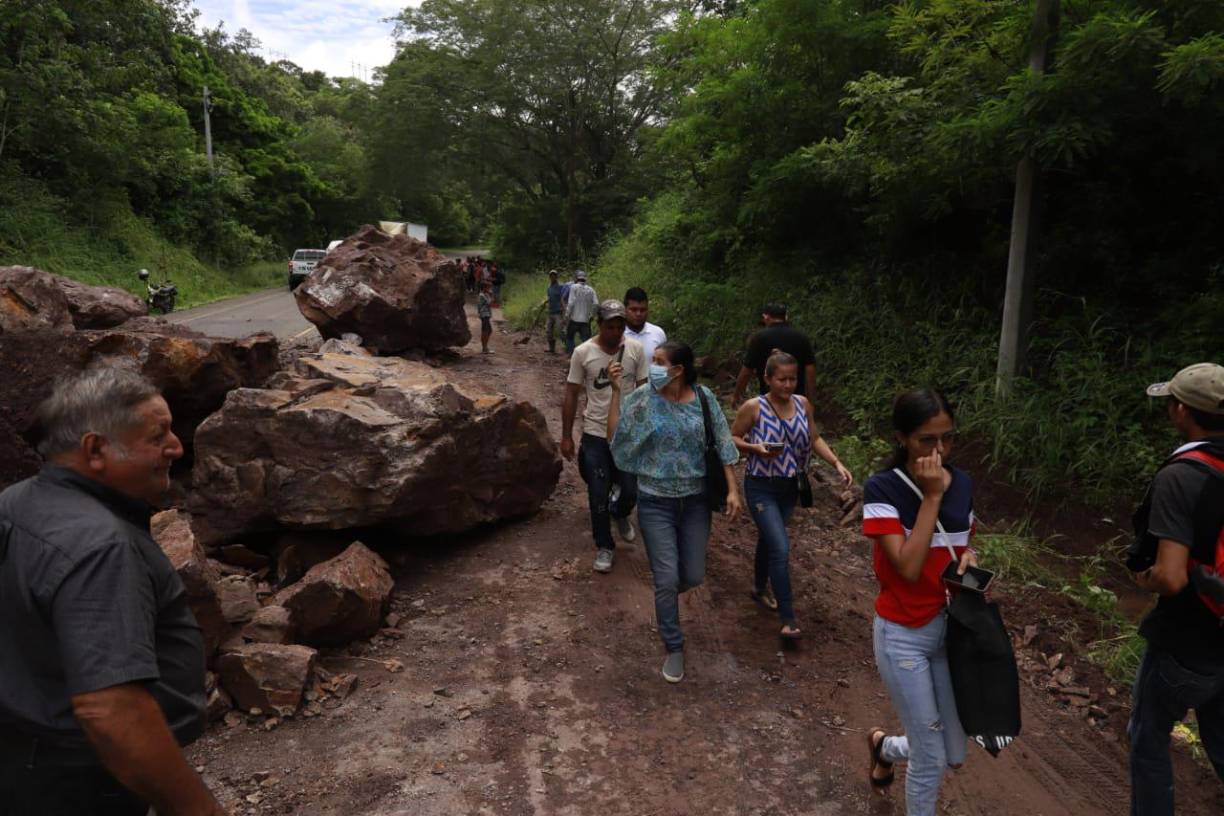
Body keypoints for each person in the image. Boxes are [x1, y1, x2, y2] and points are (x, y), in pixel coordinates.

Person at [0, 368, 223, 816]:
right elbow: (111, 712)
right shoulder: (99, 547)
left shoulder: (15, 502)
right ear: (95, 449)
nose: (176, 447)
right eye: (158, 435)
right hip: (79, 784)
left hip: (21, 761)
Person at [861, 388, 979, 814]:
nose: (939, 449)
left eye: (947, 438)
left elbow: (965, 540)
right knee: (930, 759)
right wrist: (931, 496)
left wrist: (969, 557)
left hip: (949, 631)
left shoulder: (962, 482)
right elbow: (908, 568)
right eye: (926, 440)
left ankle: (885, 748)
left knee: (953, 752)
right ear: (901, 439)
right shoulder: (883, 489)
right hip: (903, 636)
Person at [609, 340, 742, 682]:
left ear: (679, 369)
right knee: (667, 578)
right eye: (652, 360)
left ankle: (664, 596)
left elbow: (723, 442)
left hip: (696, 502)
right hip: (655, 502)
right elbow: (618, 440)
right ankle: (674, 645)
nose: (652, 366)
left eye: (659, 361)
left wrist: (731, 488)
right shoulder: (642, 399)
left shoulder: (703, 398)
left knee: (694, 574)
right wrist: (614, 393)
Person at [1126, 362, 1224, 814]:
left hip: (1186, 641)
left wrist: (1141, 578)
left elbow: (1171, 576)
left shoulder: (1181, 476)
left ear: (1181, 410)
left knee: (1147, 740)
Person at [731, 350, 853, 640]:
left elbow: (814, 438)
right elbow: (732, 439)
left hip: (789, 487)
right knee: (781, 547)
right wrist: (755, 449)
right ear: (768, 379)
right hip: (761, 485)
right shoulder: (754, 407)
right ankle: (788, 619)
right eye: (781, 379)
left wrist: (836, 463)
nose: (787, 385)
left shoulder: (803, 404)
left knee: (769, 539)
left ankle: (759, 587)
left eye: (792, 379)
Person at [561, 300, 646, 573]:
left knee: (630, 489)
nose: (616, 331)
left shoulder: (635, 350)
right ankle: (605, 545)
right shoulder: (583, 353)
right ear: (599, 325)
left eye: (620, 326)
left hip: (627, 433)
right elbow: (572, 393)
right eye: (610, 326)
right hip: (596, 432)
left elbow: (644, 390)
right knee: (597, 491)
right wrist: (566, 435)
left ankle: (620, 512)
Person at [732, 303, 817, 408]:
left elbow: (747, 371)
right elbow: (810, 370)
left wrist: (736, 395)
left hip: (769, 399)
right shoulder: (801, 337)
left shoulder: (759, 338)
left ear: (766, 317)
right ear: (786, 317)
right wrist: (811, 400)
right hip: (796, 399)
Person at [623, 287, 667, 363]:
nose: (638, 314)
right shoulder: (617, 334)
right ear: (625, 309)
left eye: (642, 310)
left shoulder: (658, 333)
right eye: (633, 309)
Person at [563, 270, 598, 355]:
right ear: (584, 279)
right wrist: (592, 315)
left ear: (576, 278)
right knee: (586, 342)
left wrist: (566, 316)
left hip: (574, 320)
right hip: (585, 321)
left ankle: (571, 356)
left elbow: (571, 303)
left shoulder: (574, 287)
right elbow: (596, 304)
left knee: (570, 338)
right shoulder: (591, 289)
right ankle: (585, 358)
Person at [542, 270, 565, 354]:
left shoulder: (561, 286)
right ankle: (552, 349)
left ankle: (567, 347)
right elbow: (549, 297)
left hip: (558, 312)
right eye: (551, 276)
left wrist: (564, 310)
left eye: (554, 275)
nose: (552, 277)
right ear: (549, 277)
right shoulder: (549, 287)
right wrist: (545, 301)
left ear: (556, 277)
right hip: (550, 312)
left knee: (560, 331)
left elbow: (563, 298)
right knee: (548, 331)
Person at [477, 278, 495, 354]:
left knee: (488, 330)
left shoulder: (485, 294)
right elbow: (489, 303)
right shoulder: (482, 295)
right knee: (485, 331)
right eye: (488, 287)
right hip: (484, 315)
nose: (490, 289)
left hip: (486, 314)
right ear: (484, 288)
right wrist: (492, 296)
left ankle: (485, 347)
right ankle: (484, 348)